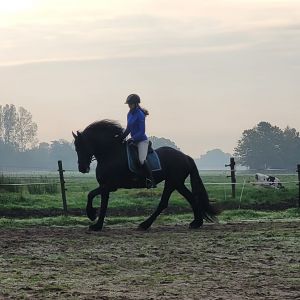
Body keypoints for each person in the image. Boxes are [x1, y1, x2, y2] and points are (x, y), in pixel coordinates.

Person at [119, 94, 156, 188]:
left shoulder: (140, 114)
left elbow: (141, 131)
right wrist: (121, 137)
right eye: (128, 104)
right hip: (133, 140)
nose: (129, 105)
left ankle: (150, 179)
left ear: (135, 104)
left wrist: (134, 139)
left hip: (141, 141)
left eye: (130, 104)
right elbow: (128, 128)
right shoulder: (129, 114)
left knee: (141, 160)